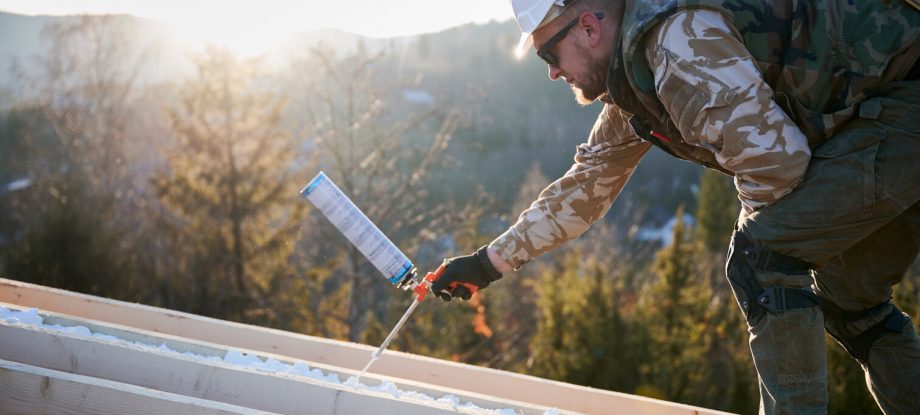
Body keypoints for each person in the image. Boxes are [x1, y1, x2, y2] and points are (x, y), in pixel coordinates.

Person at [430, 0, 920, 413]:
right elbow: (589, 182)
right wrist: (487, 264)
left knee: (760, 259)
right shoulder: (634, 72)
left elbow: (777, 166)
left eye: (547, 54)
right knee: (849, 299)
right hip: (884, 116)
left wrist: (764, 251)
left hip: (906, 103)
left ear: (589, 27)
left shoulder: (677, 45)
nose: (553, 71)